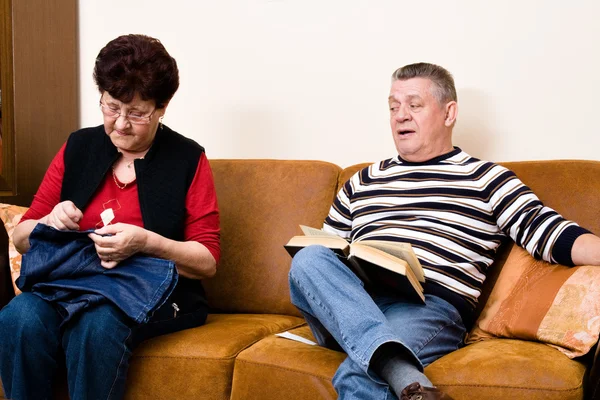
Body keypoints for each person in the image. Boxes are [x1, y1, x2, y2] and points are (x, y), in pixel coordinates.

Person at [288, 62, 600, 400]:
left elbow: (551, 234)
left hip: (425, 307)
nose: (400, 116)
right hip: (350, 306)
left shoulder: (485, 178)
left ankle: (387, 363)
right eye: (393, 107)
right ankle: (398, 367)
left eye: (414, 105)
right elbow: (328, 257)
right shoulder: (362, 181)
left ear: (449, 112)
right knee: (311, 256)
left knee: (360, 374)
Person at [0, 34, 220, 400]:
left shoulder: (187, 158)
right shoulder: (78, 147)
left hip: (154, 291)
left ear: (162, 107)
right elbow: (22, 237)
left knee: (96, 325)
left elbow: (208, 262)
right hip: (71, 283)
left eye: (136, 113)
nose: (120, 124)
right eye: (111, 106)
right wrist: (51, 220)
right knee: (19, 316)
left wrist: (146, 243)